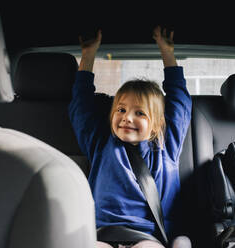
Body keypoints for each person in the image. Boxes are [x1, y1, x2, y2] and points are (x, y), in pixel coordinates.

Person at [68, 26, 192, 248]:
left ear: (156, 124)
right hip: (102, 235)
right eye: (121, 110)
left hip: (147, 238)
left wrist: (167, 54)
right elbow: (81, 106)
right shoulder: (100, 144)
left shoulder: (166, 145)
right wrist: (88, 56)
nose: (127, 118)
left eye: (140, 113)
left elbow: (180, 101)